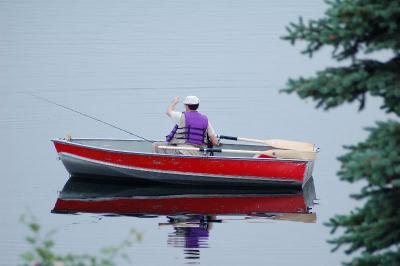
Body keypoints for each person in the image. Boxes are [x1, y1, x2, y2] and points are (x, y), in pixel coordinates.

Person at [153, 96, 219, 155]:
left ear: (186, 106)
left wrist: (174, 102)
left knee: (155, 145)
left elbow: (168, 111)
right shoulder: (205, 120)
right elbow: (215, 142)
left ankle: (157, 163)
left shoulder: (181, 116)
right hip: (200, 152)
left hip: (182, 151)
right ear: (197, 106)